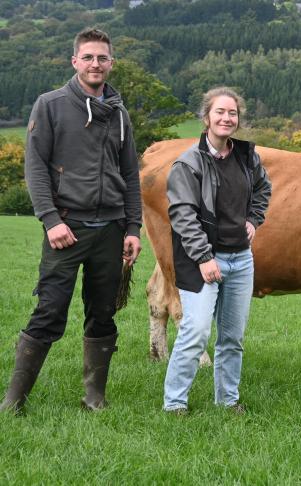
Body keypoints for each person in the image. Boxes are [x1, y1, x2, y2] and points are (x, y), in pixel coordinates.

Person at [1, 28, 141, 414]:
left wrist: (133, 228)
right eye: (89, 57)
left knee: (103, 313)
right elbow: (35, 168)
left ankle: (94, 397)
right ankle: (14, 401)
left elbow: (130, 175)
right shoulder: (50, 105)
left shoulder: (120, 113)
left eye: (103, 58)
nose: (96, 64)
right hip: (66, 228)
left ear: (111, 63)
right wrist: (50, 219)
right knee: (49, 311)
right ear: (75, 62)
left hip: (111, 230)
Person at [162, 87, 271, 415]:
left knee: (232, 338)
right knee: (195, 331)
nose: (227, 118)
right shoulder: (189, 163)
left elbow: (263, 188)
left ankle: (227, 401)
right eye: (220, 112)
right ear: (206, 118)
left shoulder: (246, 156)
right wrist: (204, 258)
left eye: (232, 113)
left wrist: (254, 218)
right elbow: (182, 215)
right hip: (202, 260)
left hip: (241, 259)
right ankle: (174, 403)